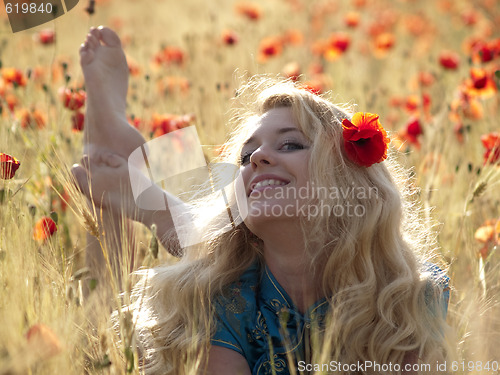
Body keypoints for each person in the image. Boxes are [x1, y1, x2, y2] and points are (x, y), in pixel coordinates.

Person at [72, 27, 451, 374]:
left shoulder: (407, 293)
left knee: (201, 245)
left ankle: (154, 202)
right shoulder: (220, 300)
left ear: (348, 182)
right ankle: (119, 167)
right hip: (228, 271)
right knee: (199, 268)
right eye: (245, 156)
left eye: (291, 144)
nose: (256, 158)